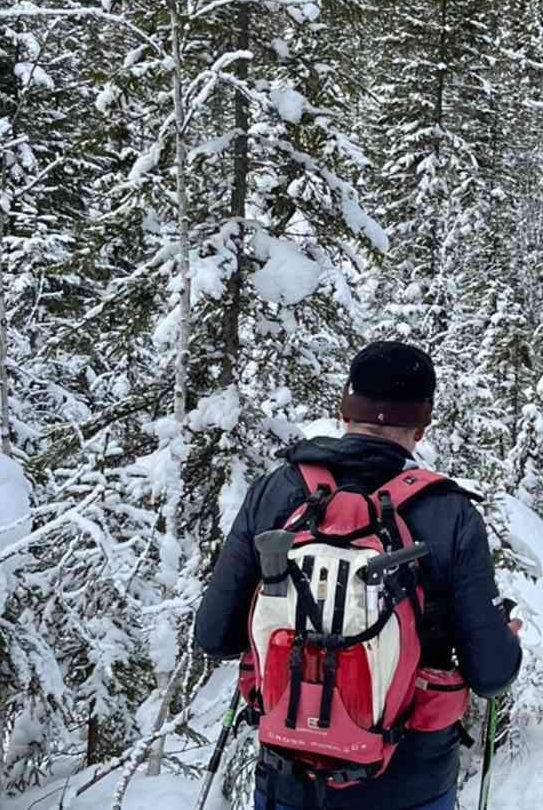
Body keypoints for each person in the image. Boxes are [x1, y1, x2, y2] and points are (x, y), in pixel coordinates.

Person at [194, 341, 523, 810]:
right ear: (422, 425)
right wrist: (505, 638)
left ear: (345, 411)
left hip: (290, 772)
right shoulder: (449, 513)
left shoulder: (278, 490)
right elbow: (490, 674)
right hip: (410, 781)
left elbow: (214, 635)